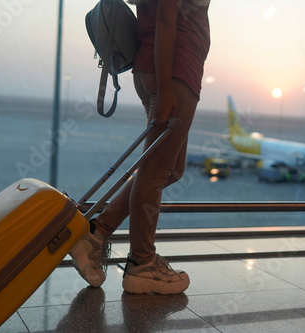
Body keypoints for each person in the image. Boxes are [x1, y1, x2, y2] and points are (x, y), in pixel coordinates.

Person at [69, 0, 210, 294]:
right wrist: (167, 89)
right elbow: (165, 21)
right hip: (173, 71)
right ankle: (142, 264)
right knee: (157, 172)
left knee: (169, 170)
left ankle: (97, 234)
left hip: (168, 70)